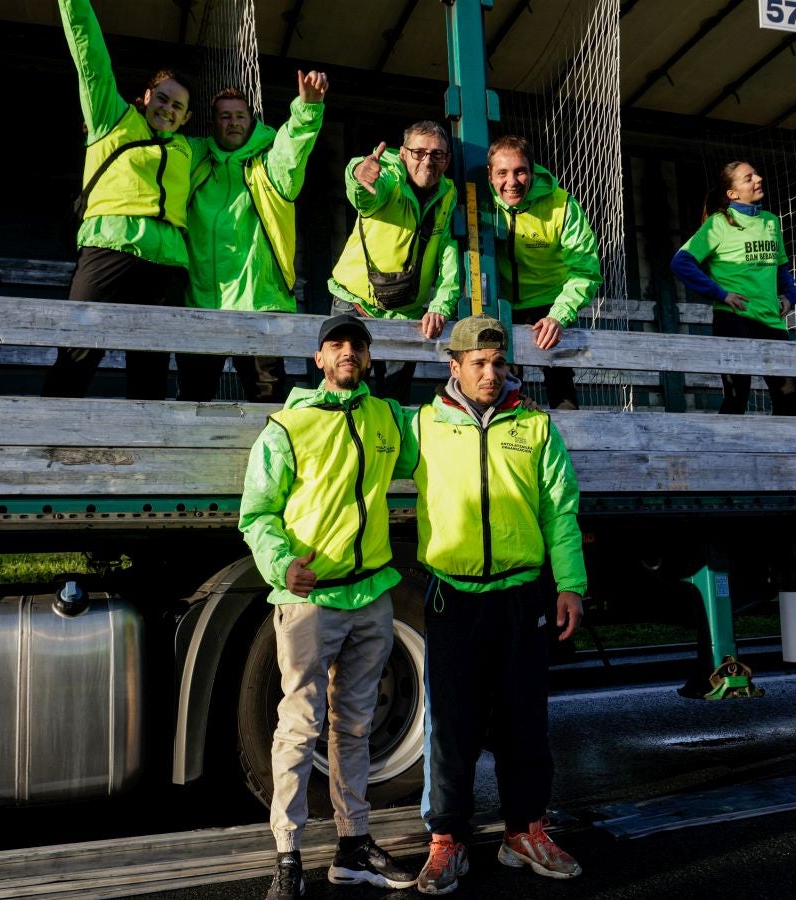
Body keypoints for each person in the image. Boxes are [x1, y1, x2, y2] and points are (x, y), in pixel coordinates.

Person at [239, 314, 421, 900]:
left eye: (357, 345)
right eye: (336, 345)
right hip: (311, 600)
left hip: (371, 596)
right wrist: (280, 564)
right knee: (299, 726)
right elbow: (257, 513)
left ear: (368, 357)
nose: (348, 352)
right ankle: (287, 856)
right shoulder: (287, 427)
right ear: (319, 358)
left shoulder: (390, 418)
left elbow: (440, 448)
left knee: (355, 727)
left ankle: (353, 847)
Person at [410, 314, 586, 895]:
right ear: (453, 365)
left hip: (521, 596)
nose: (490, 374)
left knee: (523, 722)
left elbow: (560, 510)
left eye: (499, 363)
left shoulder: (534, 425)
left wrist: (570, 585)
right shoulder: (423, 425)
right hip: (453, 597)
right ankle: (447, 841)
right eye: (478, 364)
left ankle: (524, 833)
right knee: (451, 727)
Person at [41, 0, 200, 402]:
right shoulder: (110, 118)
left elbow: (239, 149)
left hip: (166, 266)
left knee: (150, 371)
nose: (167, 108)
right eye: (162, 98)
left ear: (186, 117)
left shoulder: (189, 150)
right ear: (146, 96)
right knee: (79, 352)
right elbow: (90, 56)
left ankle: (144, 460)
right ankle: (45, 441)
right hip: (109, 247)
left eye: (177, 106)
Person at [176, 72, 328, 403]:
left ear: (251, 120)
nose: (233, 123)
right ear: (213, 123)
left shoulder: (269, 165)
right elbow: (158, 144)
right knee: (193, 398)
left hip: (257, 304)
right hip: (202, 304)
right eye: (225, 117)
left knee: (268, 399)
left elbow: (292, 148)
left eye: (240, 116)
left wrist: (308, 107)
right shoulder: (195, 159)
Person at [329, 121, 461, 404]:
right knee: (345, 396)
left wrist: (440, 306)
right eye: (418, 153)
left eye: (437, 155)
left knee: (394, 402)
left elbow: (448, 252)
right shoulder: (387, 178)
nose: (427, 161)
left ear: (447, 160)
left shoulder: (448, 194)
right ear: (402, 154)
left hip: (406, 313)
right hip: (354, 302)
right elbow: (364, 193)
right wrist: (358, 175)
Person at [671, 161, 796, 415]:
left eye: (757, 174)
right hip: (733, 318)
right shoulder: (719, 223)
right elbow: (681, 262)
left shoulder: (771, 222)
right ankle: (725, 454)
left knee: (788, 399)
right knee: (737, 397)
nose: (758, 179)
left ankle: (778, 455)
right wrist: (721, 294)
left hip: (771, 321)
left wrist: (790, 295)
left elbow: (782, 268)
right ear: (732, 193)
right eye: (748, 178)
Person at [487, 135, 602, 410]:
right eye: (502, 173)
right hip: (501, 306)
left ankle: (568, 443)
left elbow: (585, 270)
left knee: (561, 385)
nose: (512, 182)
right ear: (490, 175)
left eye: (520, 171)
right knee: (503, 387)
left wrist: (559, 316)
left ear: (532, 171)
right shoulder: (477, 200)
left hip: (551, 305)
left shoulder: (562, 205)